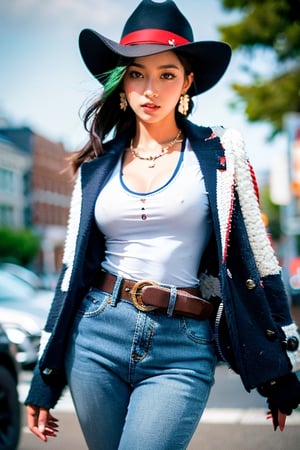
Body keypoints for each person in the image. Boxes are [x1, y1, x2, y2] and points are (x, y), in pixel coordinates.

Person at [25, 1, 300, 449]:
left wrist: (283, 364)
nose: (150, 89)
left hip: (184, 342)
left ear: (188, 81)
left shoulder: (221, 153)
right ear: (121, 82)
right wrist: (44, 376)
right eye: (137, 73)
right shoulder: (96, 166)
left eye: (167, 74)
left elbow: (261, 259)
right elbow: (71, 274)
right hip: (96, 335)